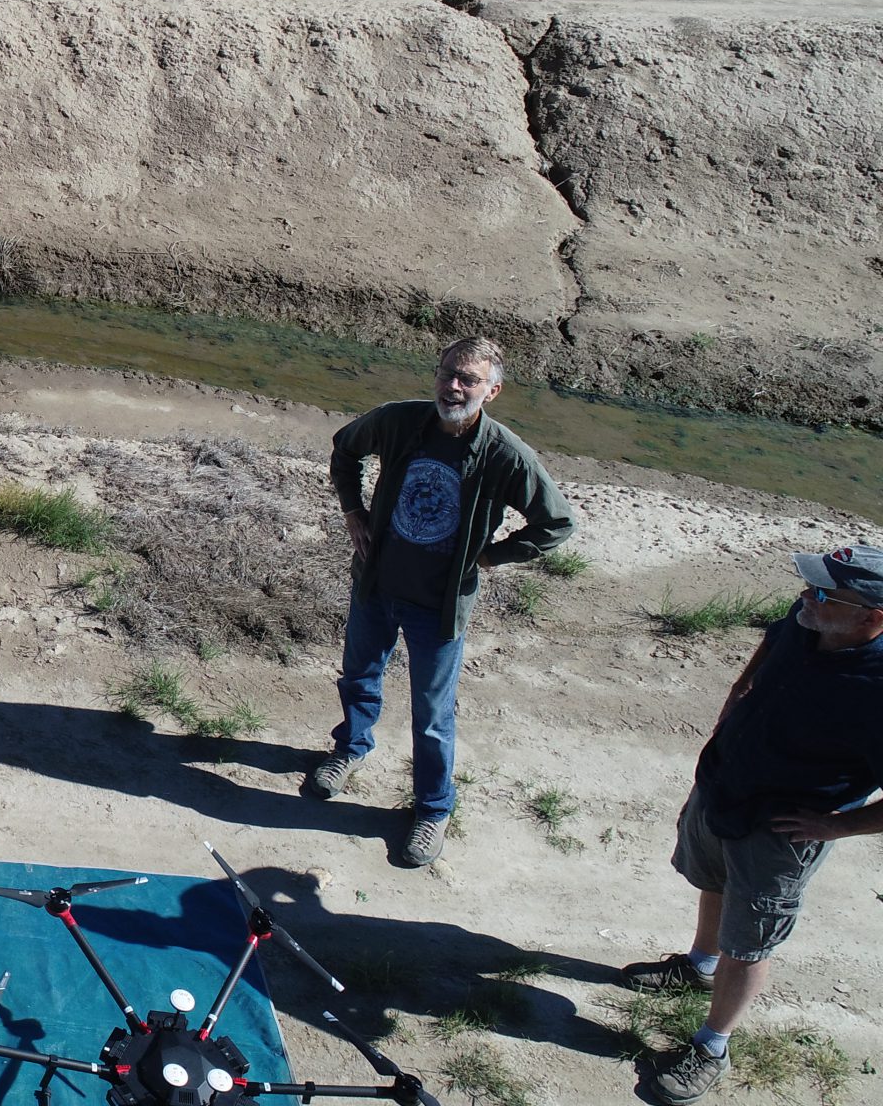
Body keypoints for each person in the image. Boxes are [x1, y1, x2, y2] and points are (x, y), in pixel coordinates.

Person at [621, 545, 883, 1105]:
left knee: (750, 943)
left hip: (782, 829)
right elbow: (775, 637)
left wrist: (836, 827)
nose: (804, 599)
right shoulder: (810, 615)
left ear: (872, 617)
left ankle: (713, 1046)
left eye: (822, 593)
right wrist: (741, 687)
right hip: (725, 786)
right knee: (713, 883)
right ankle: (698, 966)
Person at [300, 336, 576, 867]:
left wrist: (492, 558)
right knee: (358, 673)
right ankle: (351, 749)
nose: (453, 386)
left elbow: (557, 523)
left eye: (468, 379)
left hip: (439, 606)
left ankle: (432, 809)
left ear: (491, 391)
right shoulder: (400, 421)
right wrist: (352, 511)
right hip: (377, 584)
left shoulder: (506, 455)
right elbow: (345, 447)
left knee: (431, 714)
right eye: (448, 373)